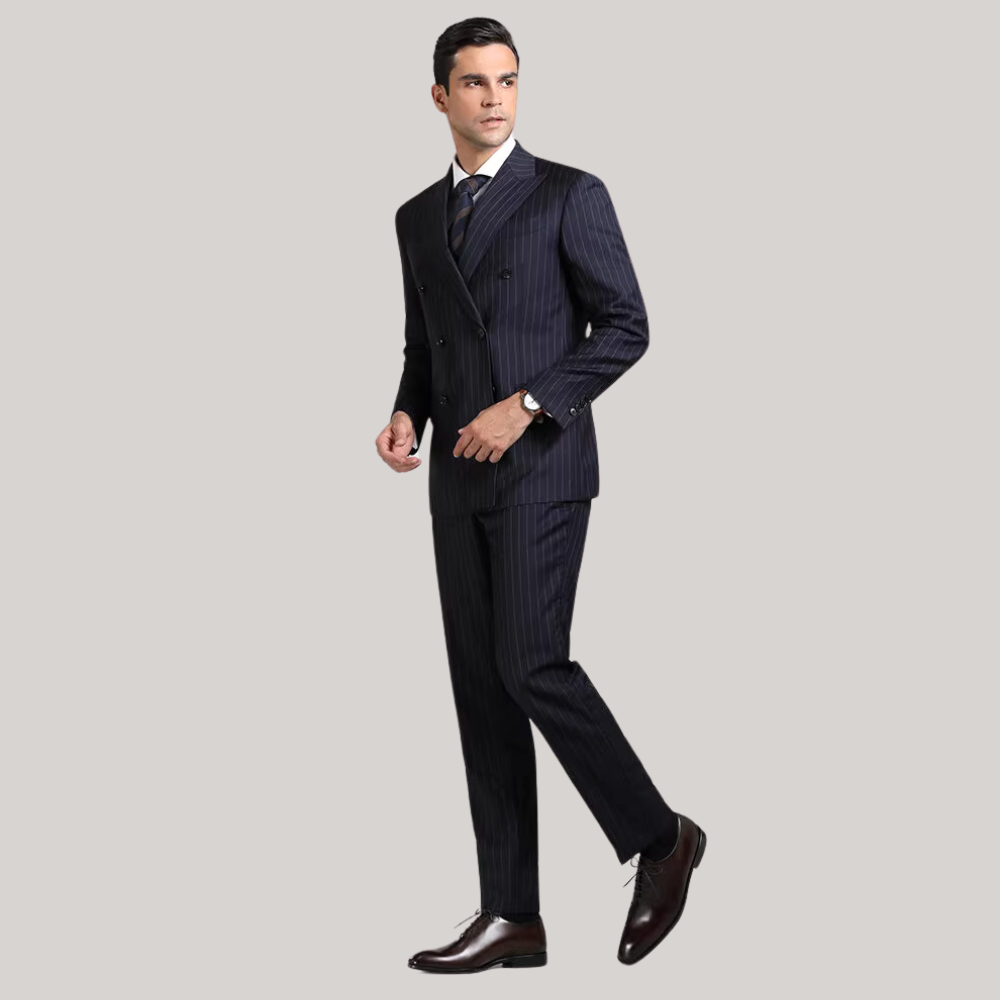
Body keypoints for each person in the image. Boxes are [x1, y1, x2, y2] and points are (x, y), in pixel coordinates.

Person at [374, 17, 706, 972]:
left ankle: (660, 838)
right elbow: (423, 342)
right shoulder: (414, 217)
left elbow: (626, 326)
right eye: (474, 83)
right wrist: (406, 414)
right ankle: (510, 914)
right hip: (454, 480)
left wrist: (525, 406)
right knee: (480, 690)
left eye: (507, 80)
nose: (494, 98)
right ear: (439, 96)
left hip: (542, 471)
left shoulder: (569, 193)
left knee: (530, 664)